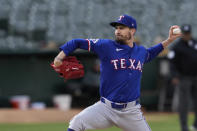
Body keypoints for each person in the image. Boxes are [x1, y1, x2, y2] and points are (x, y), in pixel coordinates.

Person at [53, 14, 181, 131]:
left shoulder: (141, 52)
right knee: (77, 122)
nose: (117, 31)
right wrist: (60, 57)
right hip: (105, 108)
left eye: (122, 28)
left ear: (132, 31)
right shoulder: (106, 46)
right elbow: (76, 42)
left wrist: (169, 40)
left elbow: (151, 52)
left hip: (131, 111)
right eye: (116, 28)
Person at [169, 24, 197, 131]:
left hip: (196, 76)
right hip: (183, 78)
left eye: (188, 33)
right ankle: (184, 127)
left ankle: (195, 124)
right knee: (184, 104)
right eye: (185, 34)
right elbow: (172, 63)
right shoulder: (176, 47)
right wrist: (174, 76)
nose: (187, 36)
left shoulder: (195, 43)